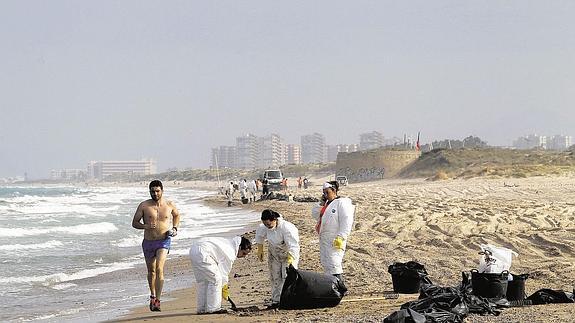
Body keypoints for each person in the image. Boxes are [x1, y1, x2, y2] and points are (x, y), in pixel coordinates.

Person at [132, 180, 181, 312]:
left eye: (157, 191)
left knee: (159, 268)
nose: (155, 193)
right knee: (151, 271)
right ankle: (152, 295)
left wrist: (175, 228)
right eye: (152, 191)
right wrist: (145, 226)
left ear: (162, 191)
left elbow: (176, 215)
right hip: (148, 242)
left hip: (163, 241)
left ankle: (158, 300)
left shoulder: (169, 204)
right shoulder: (144, 205)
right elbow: (134, 223)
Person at [189, 236, 252, 314]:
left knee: (203, 282)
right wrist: (224, 288)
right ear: (239, 248)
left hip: (193, 249)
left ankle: (202, 308)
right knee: (216, 279)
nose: (244, 256)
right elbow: (223, 274)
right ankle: (213, 308)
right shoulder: (230, 252)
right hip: (203, 252)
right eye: (244, 253)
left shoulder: (228, 243)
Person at [311, 181, 355, 289]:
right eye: (324, 193)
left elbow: (347, 221)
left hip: (336, 237)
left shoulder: (341, 203)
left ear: (334, 191)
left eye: (327, 192)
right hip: (325, 238)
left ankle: (340, 286)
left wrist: (341, 236)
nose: (325, 195)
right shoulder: (327, 204)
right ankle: (331, 287)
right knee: (326, 262)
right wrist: (321, 203)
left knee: (334, 262)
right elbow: (316, 215)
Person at [254, 209, 300, 309]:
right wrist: (260, 249)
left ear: (274, 220)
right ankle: (276, 300)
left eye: (269, 224)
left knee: (286, 276)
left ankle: (288, 299)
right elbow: (260, 236)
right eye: (265, 224)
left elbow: (293, 245)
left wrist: (291, 258)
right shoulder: (264, 227)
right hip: (274, 253)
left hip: (288, 253)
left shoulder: (286, 228)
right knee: (275, 276)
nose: (268, 226)